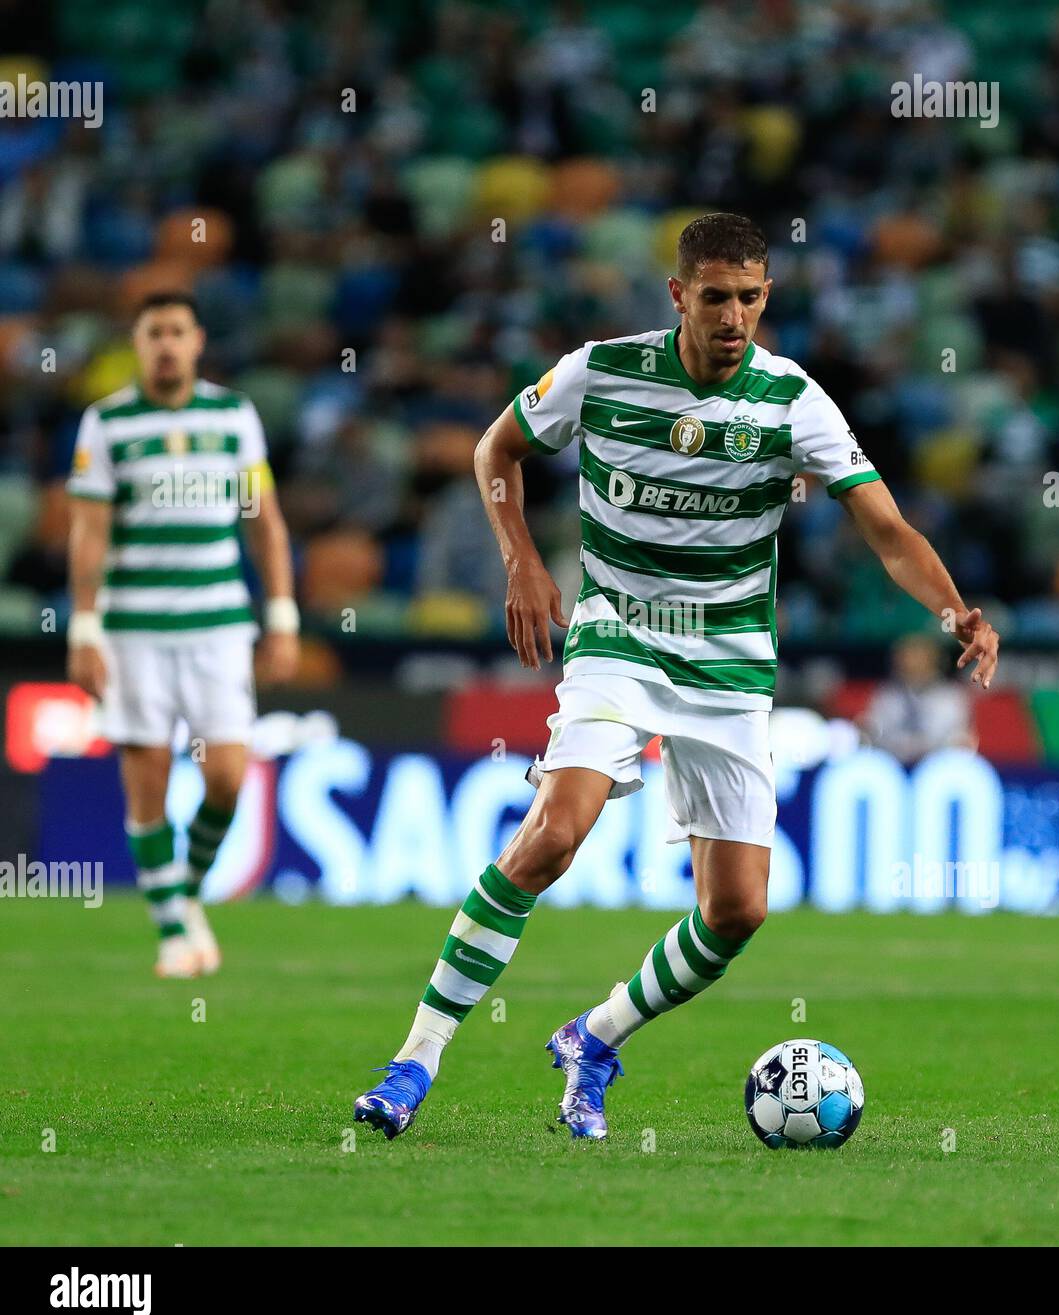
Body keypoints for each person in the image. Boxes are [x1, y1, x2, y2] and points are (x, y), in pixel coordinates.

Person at [354, 213, 999, 1141]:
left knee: (736, 911)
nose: (734, 316)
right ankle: (415, 1059)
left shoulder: (793, 400)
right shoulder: (601, 371)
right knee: (552, 836)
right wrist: (521, 561)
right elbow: (495, 449)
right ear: (678, 296)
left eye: (750, 298)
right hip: (618, 637)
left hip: (730, 667)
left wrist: (956, 611)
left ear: (766, 296)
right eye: (715, 297)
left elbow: (886, 527)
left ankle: (596, 1035)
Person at [65, 293, 299, 978]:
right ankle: (172, 930)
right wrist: (83, 625)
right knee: (149, 781)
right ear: (137, 344)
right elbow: (89, 531)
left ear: (197, 341)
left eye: (176, 332)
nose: (165, 344)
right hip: (133, 629)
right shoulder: (106, 423)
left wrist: (281, 614)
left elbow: (265, 520)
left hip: (220, 625)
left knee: (227, 775)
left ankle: (184, 890)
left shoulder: (233, 416)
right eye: (152, 333)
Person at [864, 634, 975, 763]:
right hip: (892, 765)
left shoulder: (952, 697)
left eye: (918, 656)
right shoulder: (885, 696)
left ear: (934, 660)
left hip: (937, 767)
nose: (910, 662)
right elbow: (874, 734)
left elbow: (957, 740)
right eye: (905, 656)